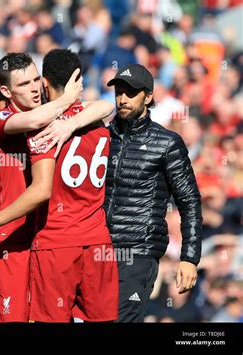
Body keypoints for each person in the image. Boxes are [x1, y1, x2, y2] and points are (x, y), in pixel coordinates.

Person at [36, 63, 203, 323]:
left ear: (148, 97)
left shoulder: (167, 143)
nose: (122, 98)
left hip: (138, 253)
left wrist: (189, 258)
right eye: (118, 91)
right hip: (95, 248)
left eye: (130, 92)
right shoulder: (99, 136)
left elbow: (189, 200)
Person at [0, 49, 117, 322]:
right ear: (6, 91)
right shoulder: (0, 119)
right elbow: (34, 120)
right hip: (11, 236)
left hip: (47, 237)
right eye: (24, 84)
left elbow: (106, 106)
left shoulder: (53, 120)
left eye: (36, 80)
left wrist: (71, 121)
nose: (34, 89)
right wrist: (70, 101)